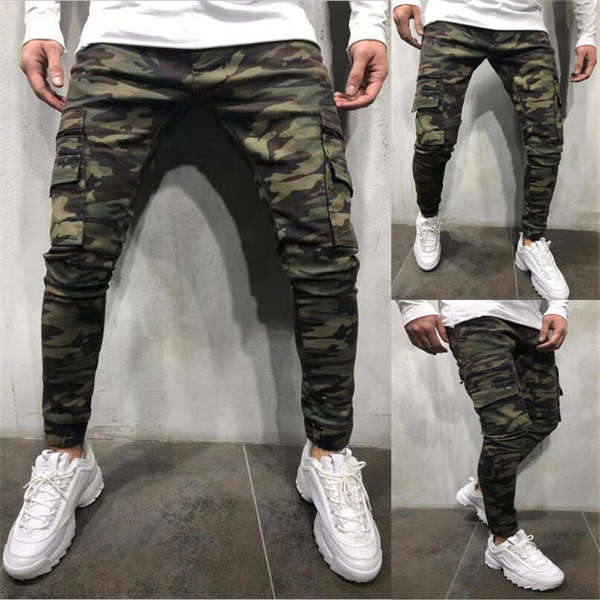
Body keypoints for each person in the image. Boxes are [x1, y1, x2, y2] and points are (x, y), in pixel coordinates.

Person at [3, 0, 388, 583]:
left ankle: (328, 455)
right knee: (77, 256)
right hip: (123, 38)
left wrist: (368, 23)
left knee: (326, 255)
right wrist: (39, 19)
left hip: (271, 39)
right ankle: (66, 456)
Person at [393, 0, 598, 300]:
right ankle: (427, 217)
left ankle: (532, 242)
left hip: (524, 25)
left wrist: (587, 34)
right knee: (433, 140)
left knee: (547, 141)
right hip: (452, 18)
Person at [398, 299, 569, 591]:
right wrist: (413, 305)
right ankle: (503, 541)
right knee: (507, 430)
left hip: (530, 320)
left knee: (544, 419)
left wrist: (558, 307)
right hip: (473, 317)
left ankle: (481, 491)